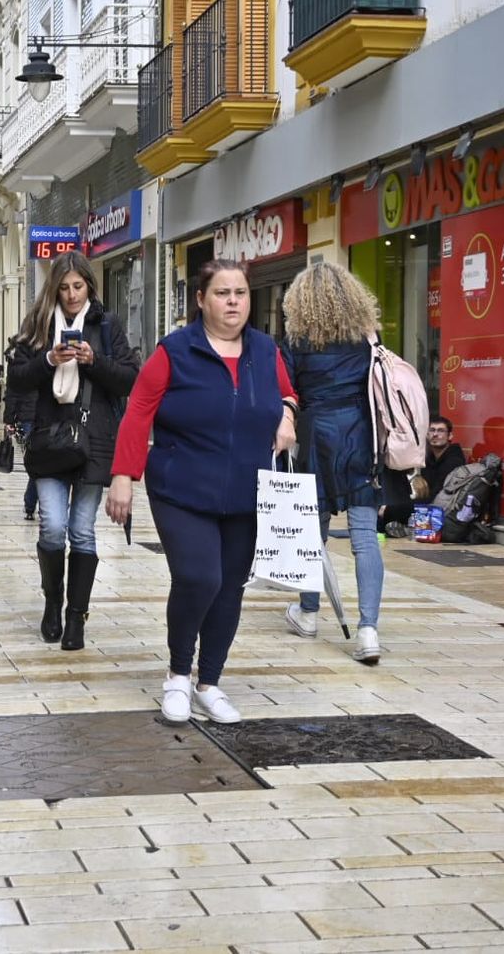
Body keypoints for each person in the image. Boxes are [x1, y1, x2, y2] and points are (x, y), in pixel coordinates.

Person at [107, 260, 294, 723]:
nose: (233, 302)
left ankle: (209, 683)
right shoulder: (175, 351)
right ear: (201, 299)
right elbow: (138, 412)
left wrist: (288, 416)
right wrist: (123, 476)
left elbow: (287, 393)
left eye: (240, 293)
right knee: (199, 577)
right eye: (222, 293)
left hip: (246, 491)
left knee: (230, 587)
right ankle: (177, 676)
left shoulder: (266, 350)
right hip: (181, 487)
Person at [10, 251, 139, 651]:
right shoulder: (38, 324)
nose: (71, 295)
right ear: (55, 289)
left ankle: (76, 616)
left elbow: (129, 379)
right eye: (64, 288)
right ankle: (52, 602)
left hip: (93, 442)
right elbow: (17, 378)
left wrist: (93, 361)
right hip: (49, 440)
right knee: (52, 525)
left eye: (78, 287)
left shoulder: (106, 324)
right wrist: (49, 359)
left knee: (82, 530)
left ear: (89, 286)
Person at [280, 263, 386, 665]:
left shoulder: (295, 340)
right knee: (365, 535)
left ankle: (308, 613)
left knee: (314, 531)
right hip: (360, 434)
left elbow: (286, 391)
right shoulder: (367, 336)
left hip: (314, 436)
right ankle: (368, 630)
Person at [1, 339, 39, 522]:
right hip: (40, 416)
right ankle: (34, 503)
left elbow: (12, 392)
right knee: (41, 462)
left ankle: (31, 503)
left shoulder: (16, 360)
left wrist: (9, 420)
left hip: (28, 417)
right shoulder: (43, 354)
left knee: (36, 462)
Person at [425, 415, 466, 493]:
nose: (435, 434)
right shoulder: (428, 458)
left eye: (441, 431)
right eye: (432, 430)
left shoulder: (454, 461)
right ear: (427, 434)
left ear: (450, 436)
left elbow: (439, 493)